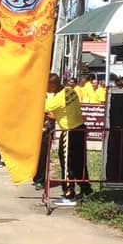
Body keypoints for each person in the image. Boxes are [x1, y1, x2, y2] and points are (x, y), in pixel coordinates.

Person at [45, 73, 93, 205]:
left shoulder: (56, 99)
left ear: (52, 85)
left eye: (46, 86)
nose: (45, 89)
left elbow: (43, 109)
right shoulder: (70, 90)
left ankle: (69, 193)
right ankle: (86, 190)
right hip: (80, 128)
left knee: (66, 163)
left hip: (69, 132)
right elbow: (61, 112)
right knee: (79, 162)